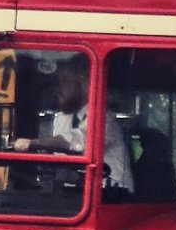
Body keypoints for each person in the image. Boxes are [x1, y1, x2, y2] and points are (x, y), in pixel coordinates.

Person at [11, 57, 134, 194]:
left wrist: (34, 143)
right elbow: (58, 156)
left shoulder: (105, 119)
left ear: (83, 84)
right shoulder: (61, 119)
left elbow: (74, 141)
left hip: (109, 196)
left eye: (64, 82)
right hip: (70, 193)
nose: (58, 89)